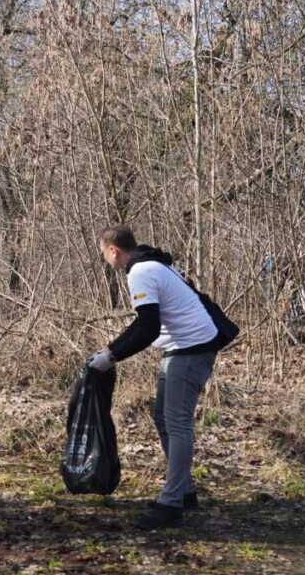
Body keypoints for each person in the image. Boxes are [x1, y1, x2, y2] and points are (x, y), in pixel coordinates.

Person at [90, 224, 222, 530]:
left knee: (177, 423)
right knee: (162, 417)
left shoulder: (141, 271)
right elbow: (143, 323)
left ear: (113, 250)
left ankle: (171, 504)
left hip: (191, 350)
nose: (105, 259)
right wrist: (110, 349)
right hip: (181, 348)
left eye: (104, 253)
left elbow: (148, 328)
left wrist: (112, 357)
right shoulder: (150, 265)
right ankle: (184, 492)